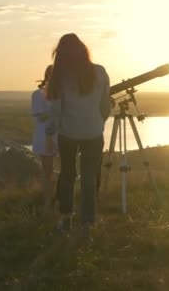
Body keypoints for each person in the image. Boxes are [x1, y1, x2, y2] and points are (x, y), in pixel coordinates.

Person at [46, 33, 111, 233]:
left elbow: (55, 110)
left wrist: (51, 133)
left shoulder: (59, 76)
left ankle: (66, 219)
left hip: (68, 134)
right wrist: (98, 122)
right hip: (93, 133)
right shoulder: (100, 72)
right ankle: (88, 222)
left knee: (67, 176)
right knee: (89, 178)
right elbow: (105, 105)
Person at [31, 64, 57, 215]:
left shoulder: (63, 93)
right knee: (48, 172)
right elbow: (40, 117)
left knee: (66, 171)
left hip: (62, 136)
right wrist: (57, 111)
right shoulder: (38, 94)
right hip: (45, 136)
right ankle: (47, 203)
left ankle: (60, 200)